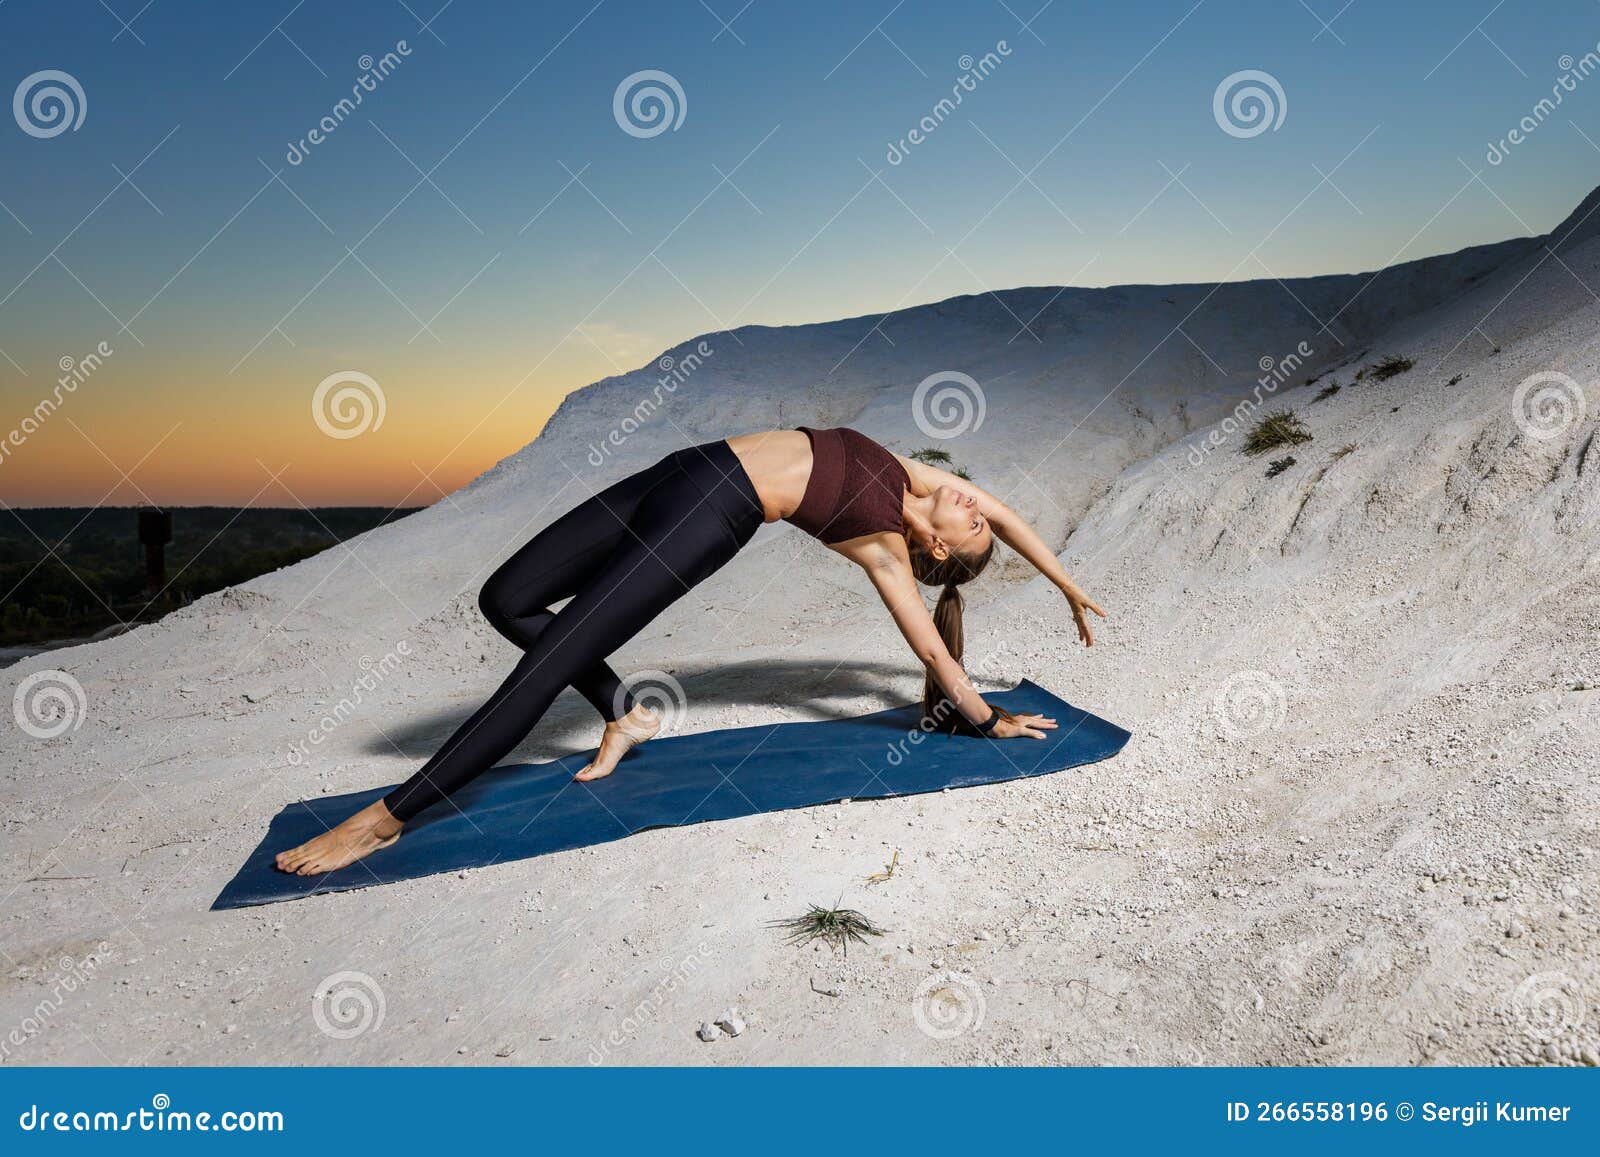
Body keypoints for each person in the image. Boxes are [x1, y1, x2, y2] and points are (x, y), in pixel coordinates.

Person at [274, 426, 1105, 875]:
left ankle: (384, 819)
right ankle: (619, 711)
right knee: (508, 598)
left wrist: (986, 717)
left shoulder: (886, 548)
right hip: (684, 468)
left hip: (712, 514)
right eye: (983, 514)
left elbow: (933, 653)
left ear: (938, 556)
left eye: (979, 527)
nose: (981, 507)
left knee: (545, 659)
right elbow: (1018, 518)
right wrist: (1065, 583)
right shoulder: (920, 478)